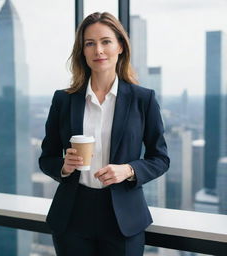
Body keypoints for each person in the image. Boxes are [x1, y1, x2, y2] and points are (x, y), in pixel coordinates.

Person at [39, 12, 170, 256]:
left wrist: (129, 170)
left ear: (120, 46)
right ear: (83, 51)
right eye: (90, 43)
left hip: (123, 218)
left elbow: (160, 159)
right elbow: (46, 158)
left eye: (106, 41)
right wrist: (65, 167)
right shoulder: (63, 100)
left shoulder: (143, 99)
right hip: (72, 216)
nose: (98, 50)